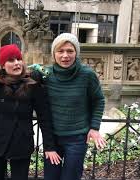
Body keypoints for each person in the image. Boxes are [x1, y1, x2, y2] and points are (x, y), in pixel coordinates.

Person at [0, 44, 60, 180]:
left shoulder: (33, 83)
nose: (17, 63)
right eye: (11, 60)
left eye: (18, 59)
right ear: (3, 65)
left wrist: (49, 146)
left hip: (22, 143)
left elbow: (44, 117)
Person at [31, 33, 106, 180]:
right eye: (60, 51)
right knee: (51, 177)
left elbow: (98, 100)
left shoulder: (87, 75)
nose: (65, 55)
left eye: (70, 51)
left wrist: (94, 127)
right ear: (54, 53)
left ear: (76, 52)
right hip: (53, 139)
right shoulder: (46, 75)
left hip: (77, 139)